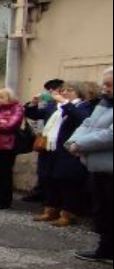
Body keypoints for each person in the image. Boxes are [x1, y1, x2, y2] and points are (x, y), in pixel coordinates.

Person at [66, 67, 113, 263]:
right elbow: (87, 124)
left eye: (110, 85)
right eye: (105, 84)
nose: (105, 88)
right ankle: (105, 249)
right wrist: (72, 142)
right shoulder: (105, 104)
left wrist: (81, 144)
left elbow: (110, 135)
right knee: (102, 210)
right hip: (98, 168)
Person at [35, 82, 92, 227]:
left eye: (69, 90)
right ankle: (50, 209)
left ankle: (68, 214)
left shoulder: (83, 106)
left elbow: (83, 119)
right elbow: (37, 115)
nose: (65, 92)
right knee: (49, 178)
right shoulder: (57, 107)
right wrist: (32, 104)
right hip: (51, 148)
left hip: (68, 150)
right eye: (63, 90)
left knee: (68, 182)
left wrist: (66, 104)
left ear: (79, 92)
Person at [23, 78, 65, 202]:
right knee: (44, 173)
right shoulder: (50, 105)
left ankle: (59, 205)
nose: (50, 93)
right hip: (46, 143)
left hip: (60, 144)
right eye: (48, 90)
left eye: (53, 90)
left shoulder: (67, 105)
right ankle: (47, 202)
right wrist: (33, 103)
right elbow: (34, 114)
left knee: (57, 176)